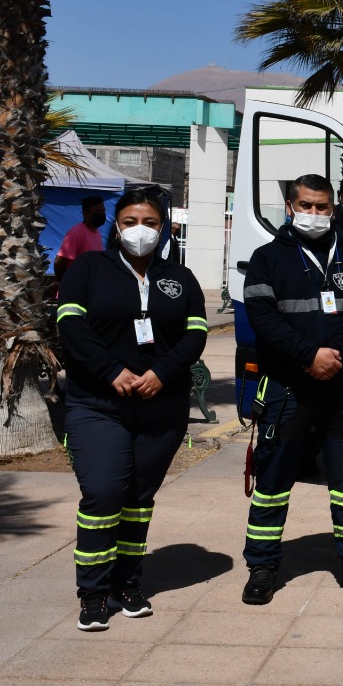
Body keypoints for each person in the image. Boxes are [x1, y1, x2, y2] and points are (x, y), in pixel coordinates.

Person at [55, 188, 207, 631]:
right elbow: (70, 325)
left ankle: (127, 584)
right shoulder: (89, 269)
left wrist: (162, 372)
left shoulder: (180, 277)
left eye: (150, 222)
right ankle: (93, 591)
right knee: (104, 493)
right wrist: (110, 371)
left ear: (164, 229)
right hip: (98, 403)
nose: (140, 230)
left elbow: (195, 335)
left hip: (162, 407)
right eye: (130, 222)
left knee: (138, 500)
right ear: (116, 226)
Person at [240, 174, 343, 604]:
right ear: (290, 207)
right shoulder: (267, 258)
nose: (314, 213)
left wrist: (332, 357)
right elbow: (263, 321)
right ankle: (263, 567)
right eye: (306, 205)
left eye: (322, 206)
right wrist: (309, 356)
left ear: (334, 209)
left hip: (342, 388)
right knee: (272, 483)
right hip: (287, 388)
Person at [54, 195, 107, 281]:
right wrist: (65, 284)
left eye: (103, 211)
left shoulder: (97, 233)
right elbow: (59, 263)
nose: (101, 214)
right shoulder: (77, 233)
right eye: (97, 211)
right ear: (85, 213)